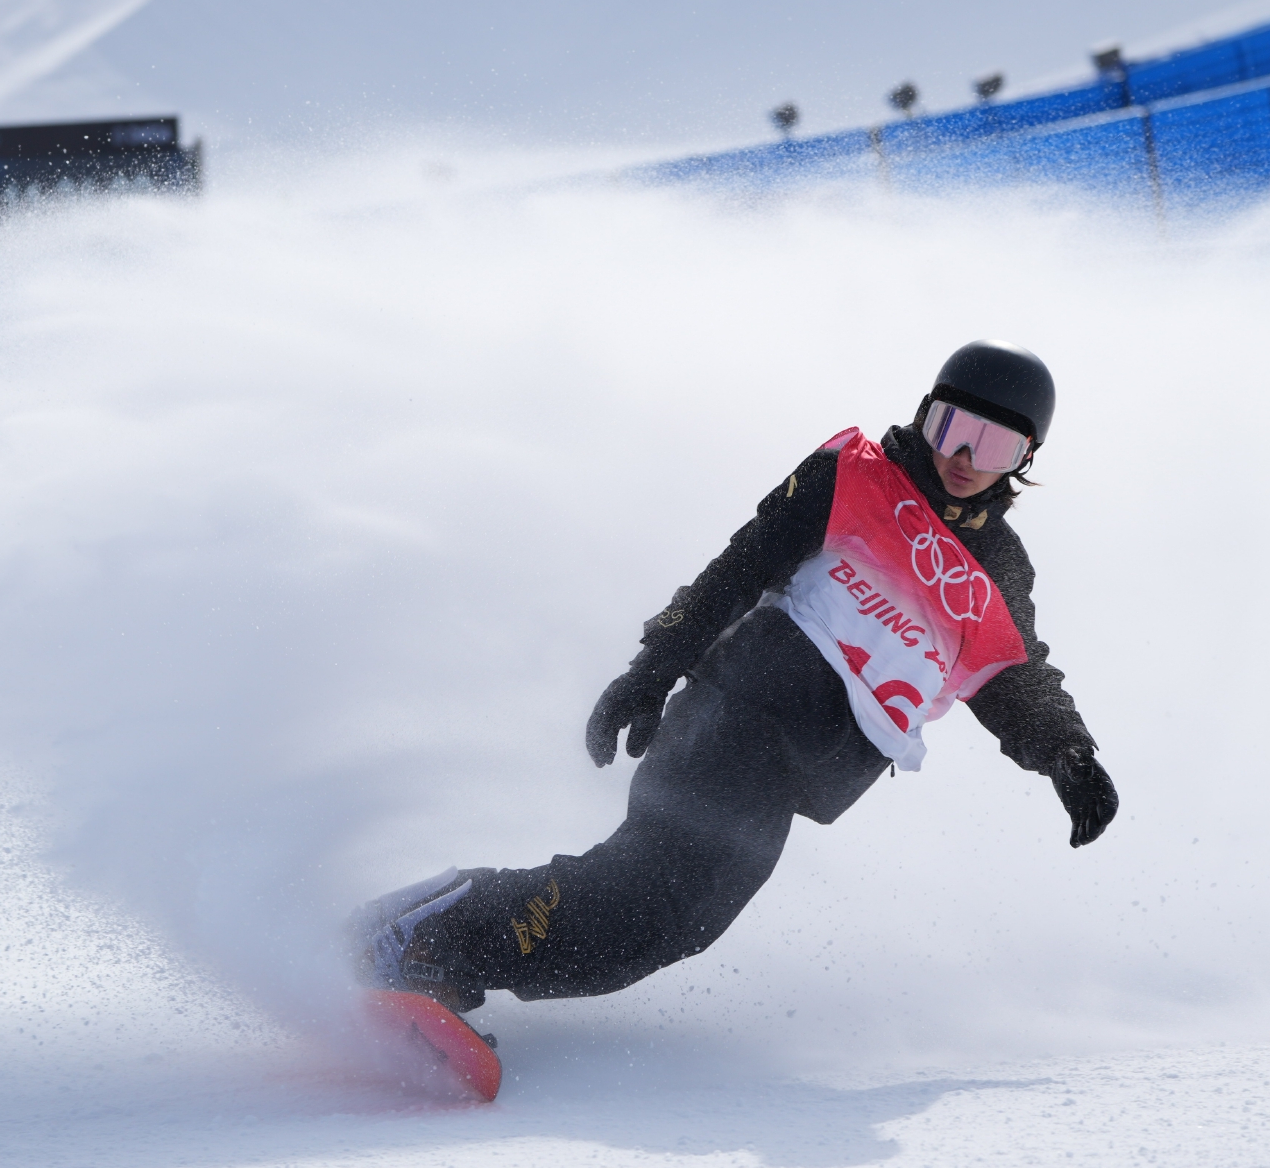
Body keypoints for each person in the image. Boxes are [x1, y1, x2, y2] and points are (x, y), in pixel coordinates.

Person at [351, 340, 1118, 1014]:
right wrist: (651, 671)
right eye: (952, 427)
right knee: (642, 902)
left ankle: (435, 941)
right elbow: (737, 571)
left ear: (1022, 460)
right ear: (924, 415)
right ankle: (422, 940)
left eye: (992, 445)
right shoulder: (857, 478)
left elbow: (1016, 676)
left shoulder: (999, 568)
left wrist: (1068, 754)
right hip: (739, 718)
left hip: (792, 777)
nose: (962, 456)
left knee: (667, 925)